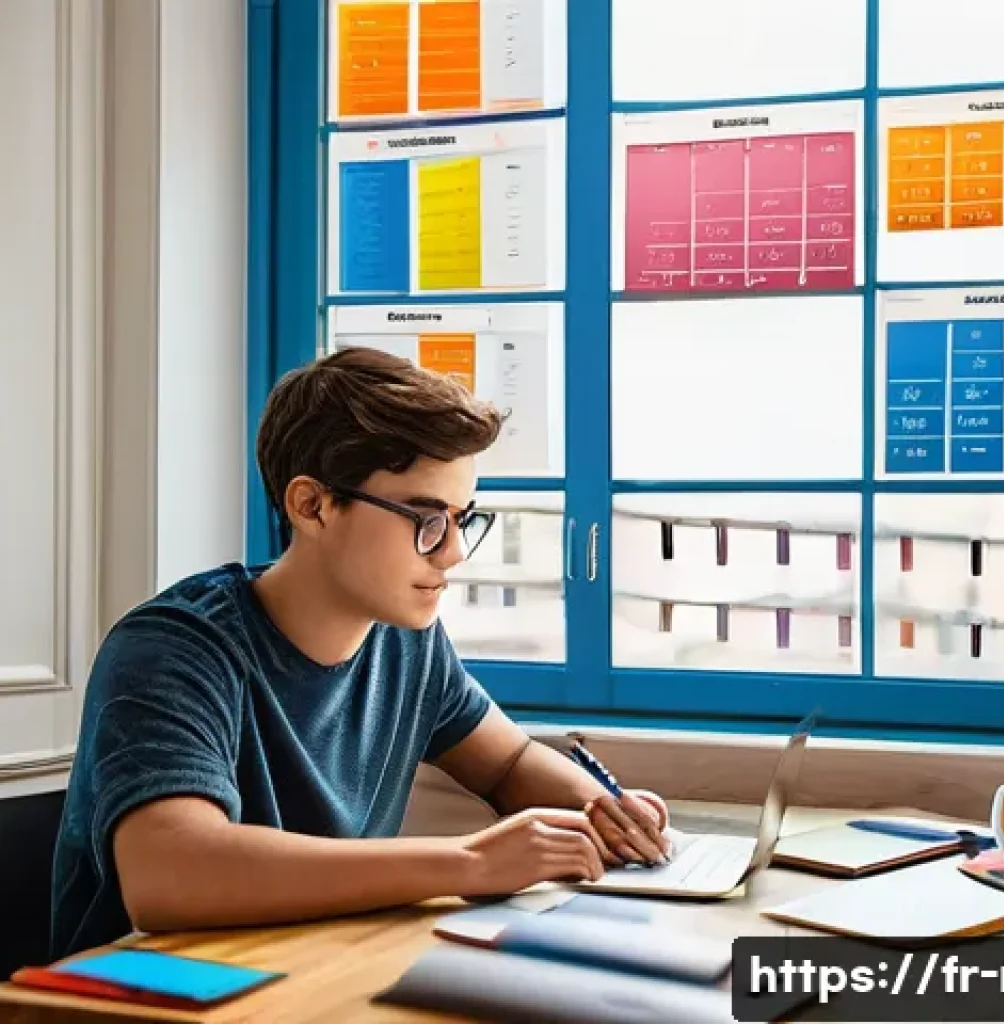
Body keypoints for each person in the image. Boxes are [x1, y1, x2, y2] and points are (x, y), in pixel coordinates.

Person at [51, 346, 671, 959]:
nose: (452, 552)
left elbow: (507, 763)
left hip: (309, 967)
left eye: (463, 520)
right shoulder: (173, 648)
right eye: (427, 519)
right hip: (148, 997)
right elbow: (171, 877)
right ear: (312, 506)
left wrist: (605, 812)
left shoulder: (407, 638)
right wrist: (469, 861)